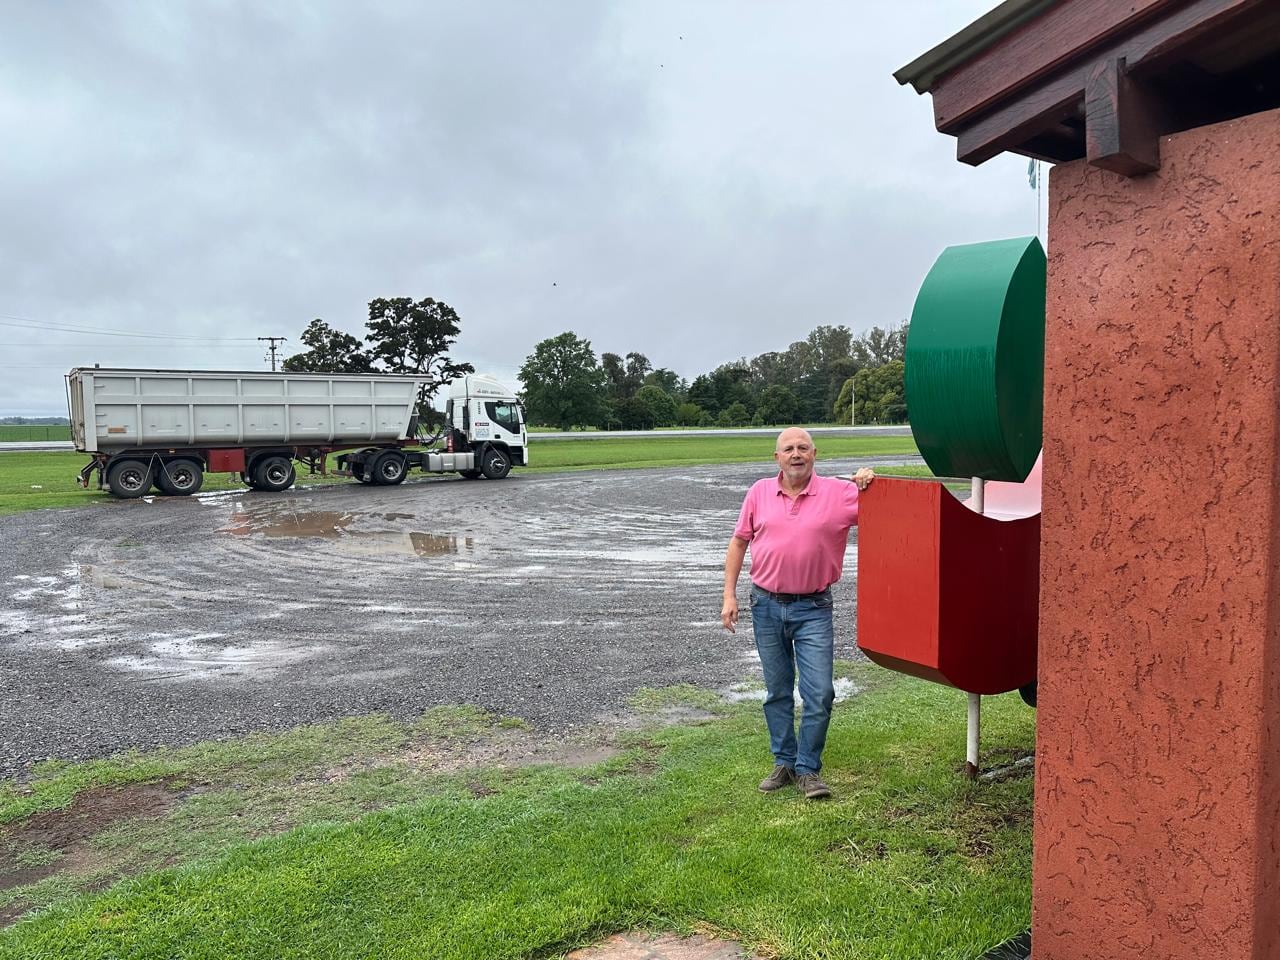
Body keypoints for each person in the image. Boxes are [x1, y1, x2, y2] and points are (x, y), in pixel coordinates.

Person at [721, 427, 874, 800]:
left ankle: (808, 768)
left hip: (814, 608)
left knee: (819, 692)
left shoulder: (841, 493)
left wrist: (871, 479)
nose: (795, 454)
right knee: (777, 690)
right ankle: (785, 761)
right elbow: (740, 541)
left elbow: (887, 507)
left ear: (814, 454)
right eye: (788, 448)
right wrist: (729, 595)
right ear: (777, 457)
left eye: (802, 448)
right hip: (766, 605)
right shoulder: (759, 492)